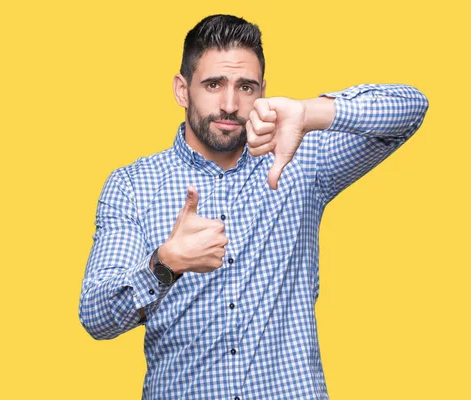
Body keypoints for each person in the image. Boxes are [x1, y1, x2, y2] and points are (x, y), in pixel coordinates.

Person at [79, 14, 429, 400]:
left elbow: (410, 108)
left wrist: (308, 112)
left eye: (245, 87)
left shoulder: (300, 157)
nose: (230, 104)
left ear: (262, 90)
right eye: (213, 84)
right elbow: (96, 316)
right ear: (182, 90)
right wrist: (165, 264)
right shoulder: (133, 185)